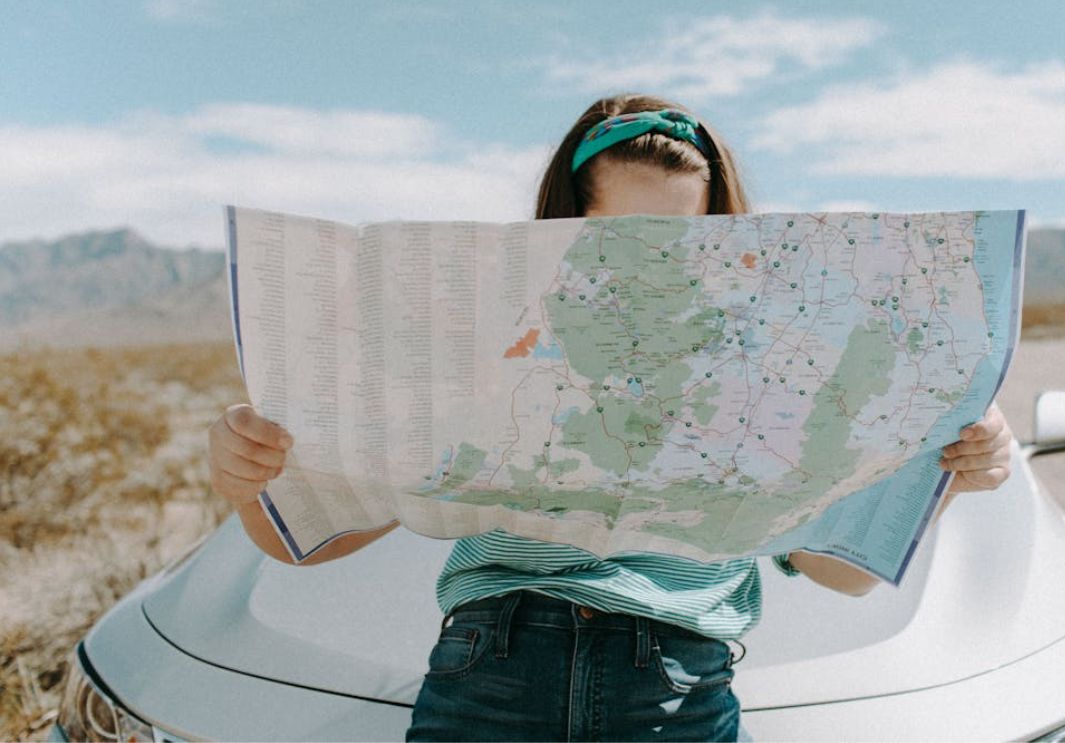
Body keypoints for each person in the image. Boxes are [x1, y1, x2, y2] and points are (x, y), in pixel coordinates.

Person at [207, 93, 1014, 742]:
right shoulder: (487, 336)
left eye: (678, 239)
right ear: (563, 229)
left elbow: (842, 572)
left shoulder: (775, 359)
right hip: (491, 669)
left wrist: (941, 473)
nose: (645, 263)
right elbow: (309, 541)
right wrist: (249, 479)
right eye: (618, 236)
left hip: (677, 688)